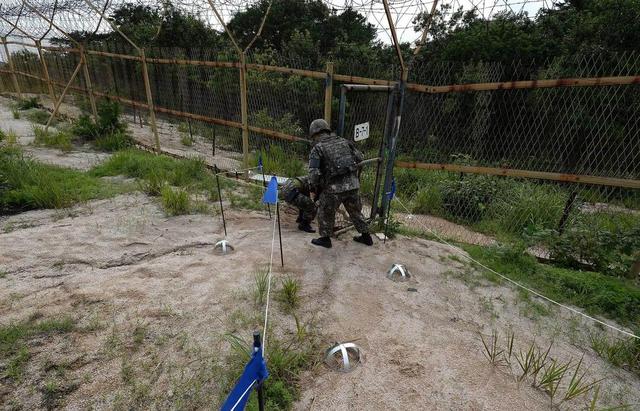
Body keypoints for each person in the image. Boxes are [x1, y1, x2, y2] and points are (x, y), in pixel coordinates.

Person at [307, 119, 373, 248]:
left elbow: (313, 173)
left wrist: (313, 188)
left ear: (314, 133)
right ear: (327, 130)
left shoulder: (317, 148)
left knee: (325, 212)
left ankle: (325, 239)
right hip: (353, 185)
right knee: (356, 212)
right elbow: (360, 157)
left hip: (333, 189)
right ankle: (366, 237)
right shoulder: (345, 142)